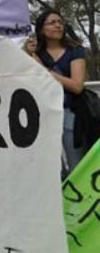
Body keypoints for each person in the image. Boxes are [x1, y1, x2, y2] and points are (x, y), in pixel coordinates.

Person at [29, 10, 88, 174]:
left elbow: (77, 86)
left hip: (70, 113)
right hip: (44, 114)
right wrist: (30, 55)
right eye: (52, 22)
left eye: (60, 22)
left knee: (77, 164)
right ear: (41, 29)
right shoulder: (36, 53)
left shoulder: (75, 51)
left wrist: (45, 71)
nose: (58, 26)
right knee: (51, 168)